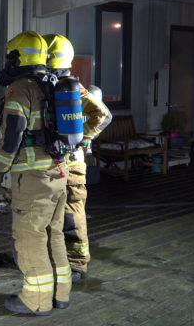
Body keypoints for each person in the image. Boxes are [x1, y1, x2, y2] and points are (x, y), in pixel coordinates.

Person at [0, 31, 71, 315]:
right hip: (60, 172)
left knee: (31, 237)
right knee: (54, 234)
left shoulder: (20, 89)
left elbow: (12, 136)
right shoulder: (53, 84)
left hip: (33, 178)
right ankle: (61, 293)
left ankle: (35, 300)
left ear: (18, 57)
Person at [43, 34, 112, 283]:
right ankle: (62, 262)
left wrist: (83, 140)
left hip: (70, 162)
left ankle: (77, 265)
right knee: (58, 212)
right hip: (56, 161)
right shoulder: (55, 87)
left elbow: (104, 115)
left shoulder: (70, 89)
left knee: (71, 213)